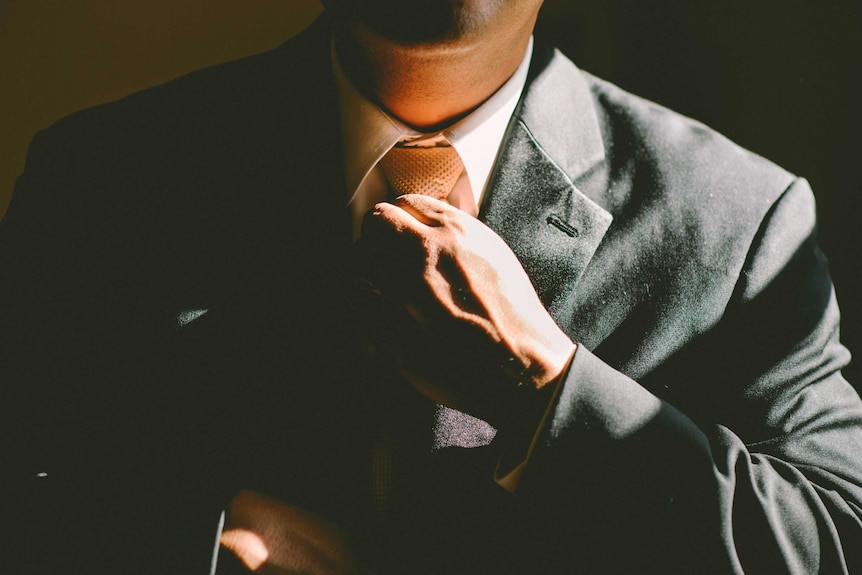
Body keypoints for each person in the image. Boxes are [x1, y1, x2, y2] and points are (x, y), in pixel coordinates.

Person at [2, 1, 861, 573]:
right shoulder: (104, 180)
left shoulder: (740, 220)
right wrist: (189, 542)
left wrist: (548, 384)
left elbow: (836, 538)